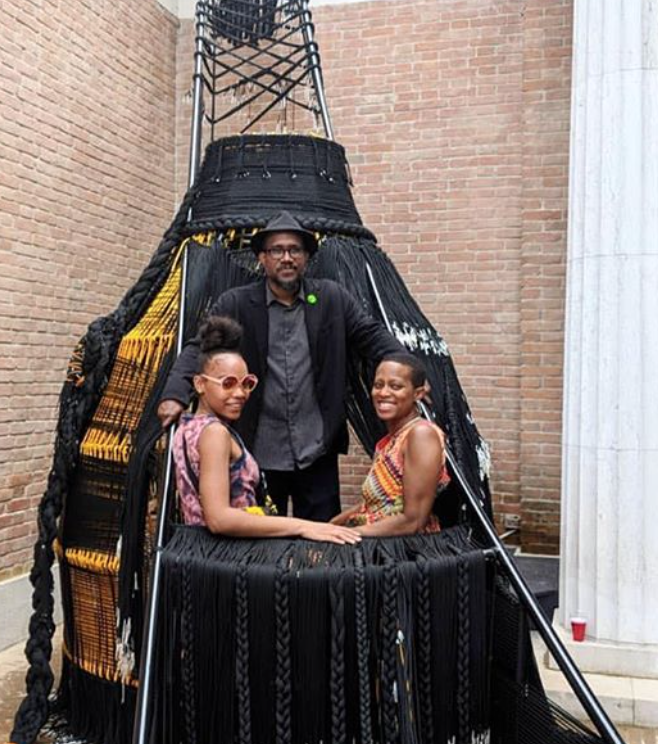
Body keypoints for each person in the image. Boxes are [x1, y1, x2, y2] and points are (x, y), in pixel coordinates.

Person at [159, 211, 405, 520]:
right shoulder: (236, 303)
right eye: (277, 250)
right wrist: (175, 394)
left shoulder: (331, 298)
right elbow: (199, 347)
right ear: (262, 258)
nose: (286, 258)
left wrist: (409, 370)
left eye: (295, 250)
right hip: (258, 451)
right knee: (262, 548)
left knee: (320, 549)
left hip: (317, 451)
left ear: (306, 258)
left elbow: (371, 336)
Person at [172, 315, 359, 544]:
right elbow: (219, 519)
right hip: (231, 558)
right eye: (228, 383)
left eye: (247, 383)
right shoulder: (215, 433)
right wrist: (301, 526)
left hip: (205, 552)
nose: (240, 394)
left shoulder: (188, 427)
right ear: (200, 383)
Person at [333, 353, 450, 535]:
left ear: (417, 393)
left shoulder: (421, 435)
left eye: (395, 386)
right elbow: (375, 506)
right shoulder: (390, 441)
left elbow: (414, 521)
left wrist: (348, 534)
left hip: (401, 550)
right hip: (377, 539)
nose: (384, 393)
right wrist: (329, 526)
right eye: (378, 385)